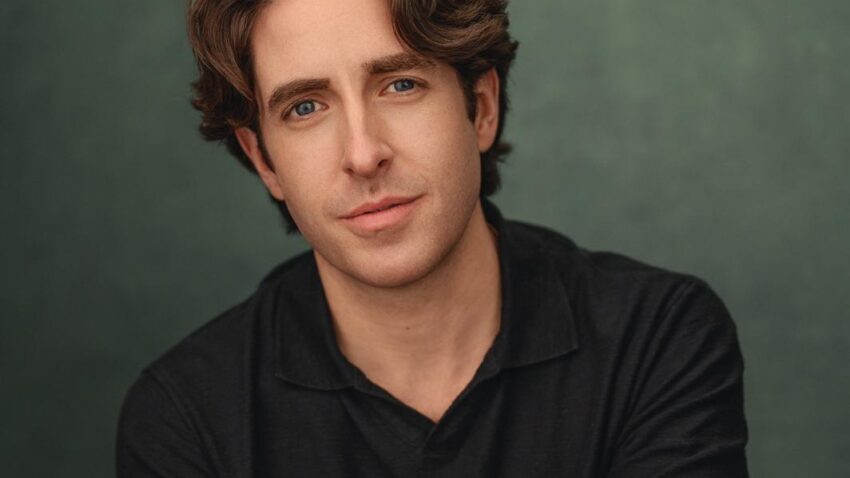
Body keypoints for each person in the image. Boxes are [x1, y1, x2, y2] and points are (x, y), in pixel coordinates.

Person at [116, 0, 749, 476]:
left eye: (400, 84)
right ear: (263, 159)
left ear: (480, 108)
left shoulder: (657, 338)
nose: (363, 154)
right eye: (306, 107)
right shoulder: (186, 418)